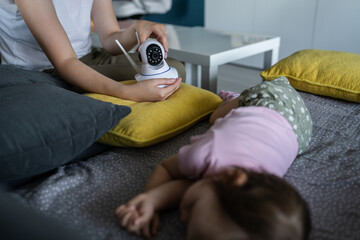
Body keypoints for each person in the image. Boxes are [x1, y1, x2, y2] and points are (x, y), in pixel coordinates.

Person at [115, 76, 313, 240]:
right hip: (271, 97)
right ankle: (233, 99)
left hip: (300, 132)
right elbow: (167, 168)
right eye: (192, 208)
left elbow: (195, 186)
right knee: (214, 118)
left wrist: (152, 201)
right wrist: (148, 197)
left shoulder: (255, 188)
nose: (182, 217)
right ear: (231, 179)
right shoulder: (207, 154)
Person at [0, 0, 183, 102]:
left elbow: (110, 39)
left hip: (86, 57)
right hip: (43, 70)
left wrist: (136, 29)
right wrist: (126, 92)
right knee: (160, 79)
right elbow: (65, 61)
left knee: (174, 69)